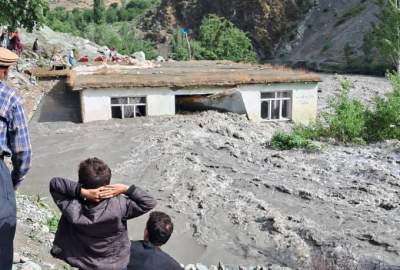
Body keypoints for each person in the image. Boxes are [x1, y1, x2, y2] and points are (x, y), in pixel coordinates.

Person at [49, 157, 157, 270]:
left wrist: (82, 192)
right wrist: (126, 188)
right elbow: (149, 202)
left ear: (81, 183)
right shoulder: (119, 205)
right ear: (108, 185)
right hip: (114, 264)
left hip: (84, 261)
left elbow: (55, 184)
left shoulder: (73, 206)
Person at [0, 47, 32, 270]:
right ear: (4, 71)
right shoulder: (10, 98)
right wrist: (13, 182)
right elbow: (23, 152)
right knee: (4, 225)